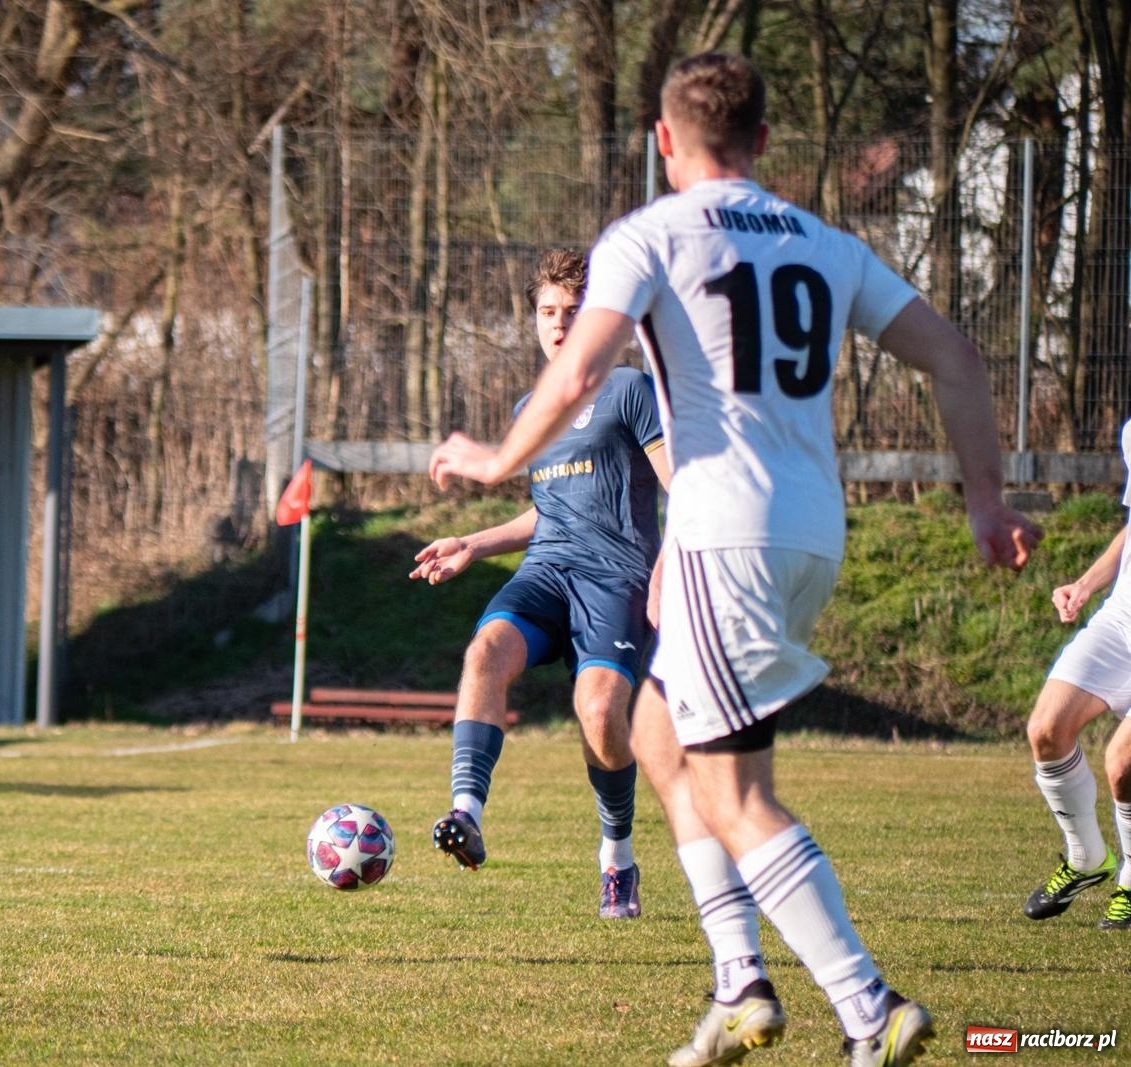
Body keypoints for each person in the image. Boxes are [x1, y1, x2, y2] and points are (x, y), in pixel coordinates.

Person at [429, 53, 1039, 1067]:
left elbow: (580, 366)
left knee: (735, 787)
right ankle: (740, 982)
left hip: (725, 532)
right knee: (660, 737)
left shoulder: (650, 234)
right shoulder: (823, 240)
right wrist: (983, 498)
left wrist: (495, 458)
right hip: (810, 531)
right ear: (762, 143)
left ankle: (866, 1004)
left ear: (665, 142)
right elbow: (957, 357)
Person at [411, 248, 669, 919]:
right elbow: (549, 509)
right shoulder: (534, 405)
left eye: (573, 312)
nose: (559, 324)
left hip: (616, 577)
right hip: (547, 569)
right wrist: (474, 541)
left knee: (599, 710)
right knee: (484, 652)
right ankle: (466, 812)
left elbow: (684, 485)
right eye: (548, 312)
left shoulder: (630, 391)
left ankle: (616, 854)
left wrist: (676, 560)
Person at [1021, 417, 1131, 930]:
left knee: (1122, 762)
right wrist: (1086, 584)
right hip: (1121, 621)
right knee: (1046, 730)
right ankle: (1087, 857)